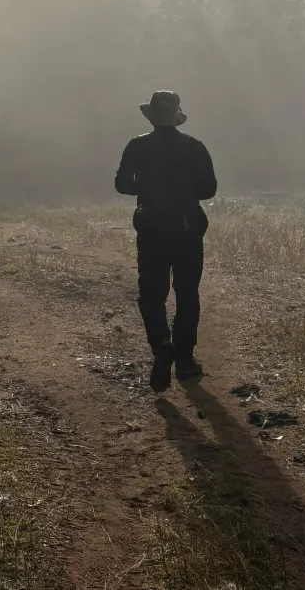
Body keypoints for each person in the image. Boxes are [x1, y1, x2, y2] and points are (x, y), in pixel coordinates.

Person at [114, 90, 217, 393]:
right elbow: (209, 189)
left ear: (152, 117)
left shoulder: (137, 146)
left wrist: (147, 187)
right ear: (176, 116)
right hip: (187, 228)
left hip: (152, 227)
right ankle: (185, 360)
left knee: (151, 292)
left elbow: (121, 184)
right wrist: (183, 191)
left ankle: (161, 345)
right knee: (187, 292)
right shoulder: (195, 147)